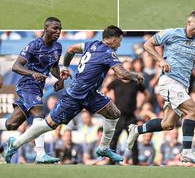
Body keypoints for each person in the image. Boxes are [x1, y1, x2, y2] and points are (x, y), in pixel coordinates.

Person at [5, 25, 144, 164]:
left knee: (114, 113)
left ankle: (103, 147)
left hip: (90, 93)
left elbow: (71, 49)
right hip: (75, 95)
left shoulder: (92, 44)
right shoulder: (108, 52)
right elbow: (121, 74)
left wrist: (65, 67)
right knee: (49, 125)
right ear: (113, 40)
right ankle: (15, 144)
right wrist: (135, 75)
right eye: (119, 41)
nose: (120, 45)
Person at [127, 11, 195, 164]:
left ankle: (136, 130)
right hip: (169, 81)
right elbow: (147, 44)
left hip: (183, 86)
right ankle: (186, 152)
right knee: (193, 111)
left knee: (168, 124)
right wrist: (160, 60)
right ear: (189, 22)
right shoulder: (172, 33)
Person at [0, 17, 63, 164]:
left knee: (12, 124)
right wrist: (31, 73)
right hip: (27, 85)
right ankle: (40, 154)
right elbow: (16, 66)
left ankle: (14, 143)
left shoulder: (57, 47)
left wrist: (59, 79)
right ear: (46, 28)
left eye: (60, 29)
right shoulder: (34, 45)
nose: (58, 31)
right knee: (39, 113)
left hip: (38, 88)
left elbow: (54, 66)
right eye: (55, 28)